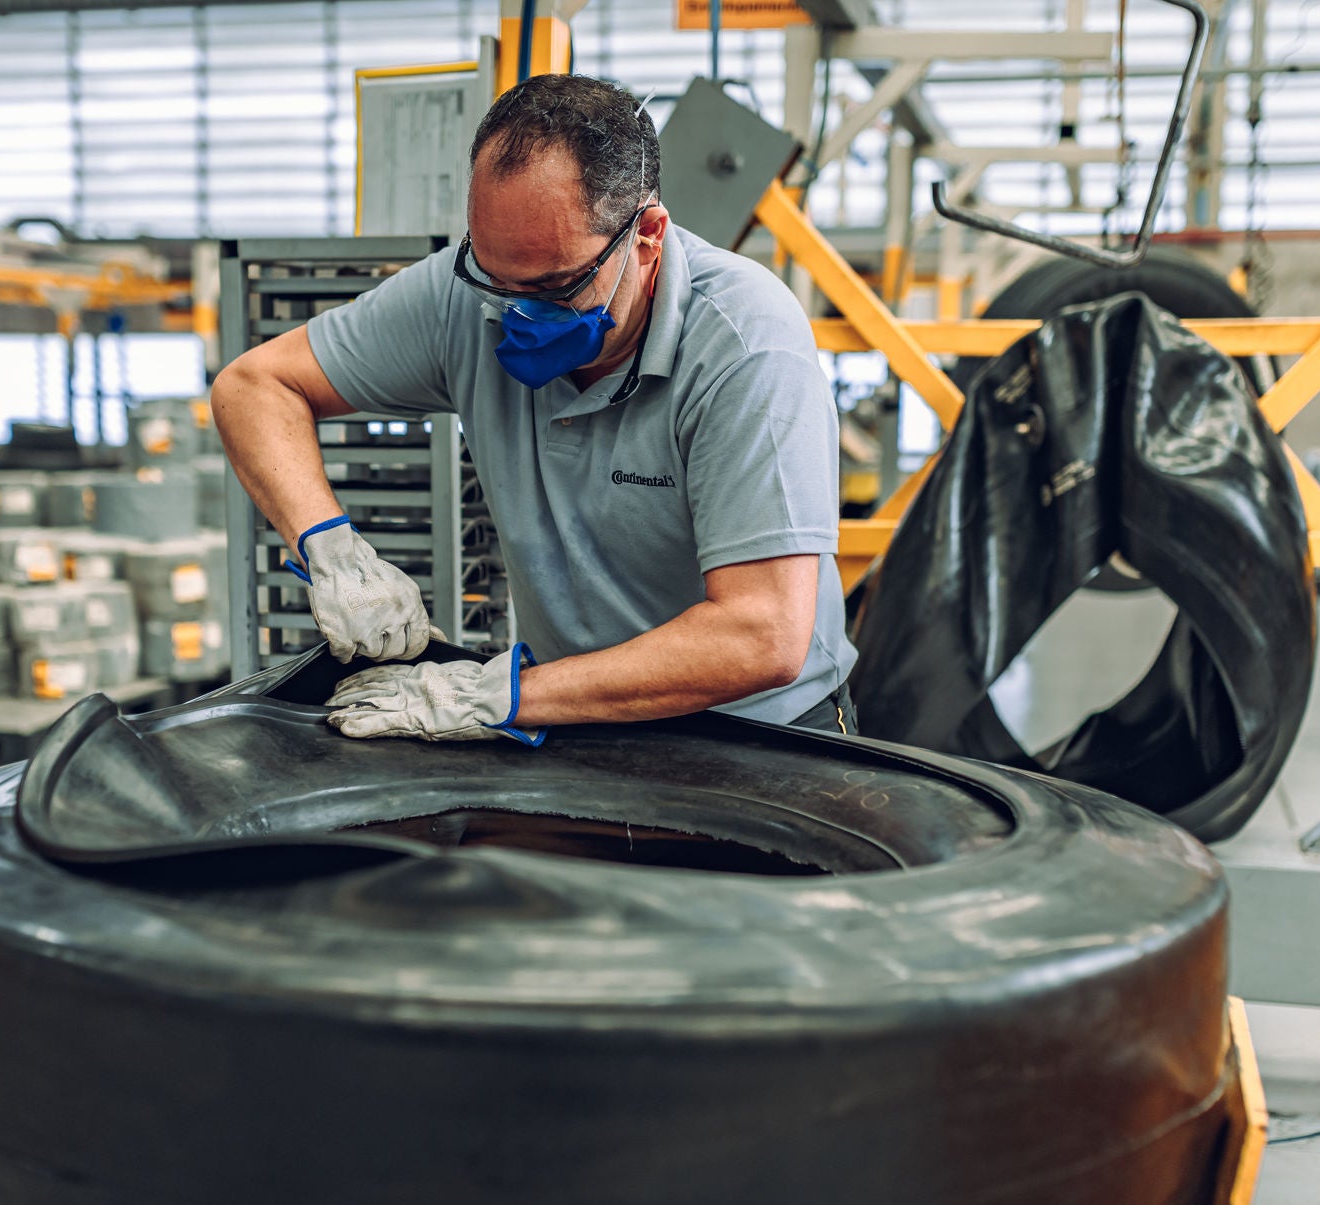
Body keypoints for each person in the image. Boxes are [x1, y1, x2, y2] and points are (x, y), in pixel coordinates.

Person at [212, 73, 856, 744]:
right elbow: (253, 387)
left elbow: (762, 634)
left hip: (758, 736)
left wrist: (496, 695)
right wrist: (331, 551)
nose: (515, 312)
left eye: (556, 285)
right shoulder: (465, 298)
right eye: (496, 278)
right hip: (571, 716)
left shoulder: (745, 342)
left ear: (648, 236)